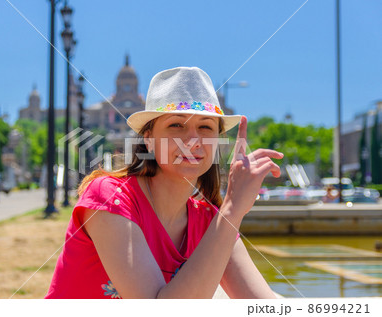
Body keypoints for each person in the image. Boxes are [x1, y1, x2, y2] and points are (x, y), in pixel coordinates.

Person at [45, 67, 283, 299]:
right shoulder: (109, 196)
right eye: (176, 125)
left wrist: (230, 213)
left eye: (205, 127)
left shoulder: (208, 221)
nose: (192, 140)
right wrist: (231, 210)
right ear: (148, 140)